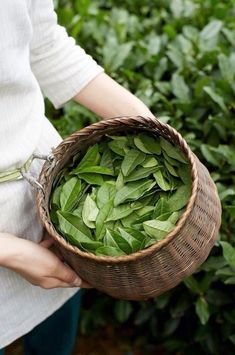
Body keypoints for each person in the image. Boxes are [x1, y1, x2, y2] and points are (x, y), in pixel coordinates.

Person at [0, 1, 154, 354]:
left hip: (51, 195)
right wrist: (10, 252)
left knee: (55, 338)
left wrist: (153, 129)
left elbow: (44, 44)